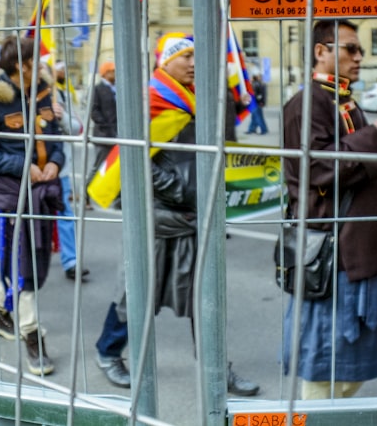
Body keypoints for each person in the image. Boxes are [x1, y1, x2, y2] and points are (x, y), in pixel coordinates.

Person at [91, 33, 259, 396]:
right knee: (136, 295)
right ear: (166, 61)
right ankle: (107, 353)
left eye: (198, 57)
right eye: (187, 56)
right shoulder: (151, 99)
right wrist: (183, 192)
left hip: (193, 216)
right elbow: (136, 162)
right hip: (158, 218)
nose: (195, 63)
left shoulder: (195, 98)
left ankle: (217, 368)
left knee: (206, 296)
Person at [281, 19, 377, 400]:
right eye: (350, 48)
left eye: (360, 50)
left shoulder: (340, 98)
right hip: (336, 254)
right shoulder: (307, 103)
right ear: (321, 51)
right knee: (326, 370)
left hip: (358, 252)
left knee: (350, 370)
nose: (359, 57)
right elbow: (318, 170)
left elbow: (355, 169)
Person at [0, 36, 64, 375]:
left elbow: (56, 138)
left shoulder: (44, 90)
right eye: (30, 65)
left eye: (37, 63)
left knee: (31, 264)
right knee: (24, 267)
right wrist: (24, 168)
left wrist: (56, 161)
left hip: (43, 194)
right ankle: (31, 334)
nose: (37, 69)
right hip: (10, 197)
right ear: (15, 67)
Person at [41, 61, 88, 282]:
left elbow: (78, 128)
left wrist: (62, 116)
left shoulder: (60, 96)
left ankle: (71, 262)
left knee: (66, 214)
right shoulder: (21, 97)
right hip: (32, 171)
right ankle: (28, 262)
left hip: (61, 169)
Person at [89, 60, 118, 208]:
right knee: (99, 166)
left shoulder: (117, 88)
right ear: (106, 73)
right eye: (113, 71)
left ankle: (116, 197)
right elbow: (93, 111)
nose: (116, 73)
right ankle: (86, 195)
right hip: (103, 136)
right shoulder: (98, 89)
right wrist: (106, 127)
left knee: (116, 166)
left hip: (117, 135)